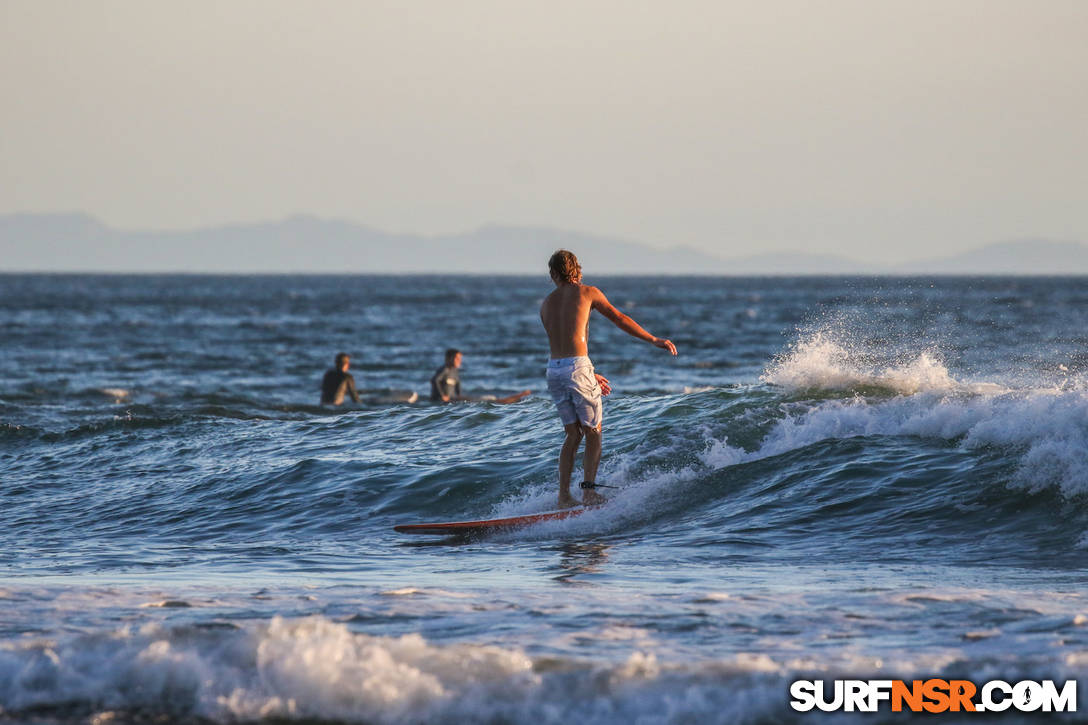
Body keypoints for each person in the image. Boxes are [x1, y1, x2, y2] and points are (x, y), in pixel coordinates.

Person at [540, 249, 677, 508]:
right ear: (577, 270)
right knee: (594, 433)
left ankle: (563, 497)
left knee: (572, 434)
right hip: (576, 368)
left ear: (553, 274)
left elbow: (563, 344)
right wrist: (653, 339)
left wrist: (589, 372)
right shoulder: (588, 292)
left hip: (554, 370)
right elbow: (619, 318)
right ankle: (589, 493)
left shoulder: (546, 303)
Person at [430, 348, 531, 404]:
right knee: (488, 400)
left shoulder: (455, 372)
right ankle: (513, 398)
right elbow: (435, 380)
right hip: (447, 401)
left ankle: (510, 399)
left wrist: (459, 396)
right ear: (448, 358)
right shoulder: (444, 369)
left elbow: (458, 388)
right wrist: (443, 396)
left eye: (460, 358)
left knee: (486, 399)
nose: (459, 361)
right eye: (456, 358)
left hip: (456, 400)